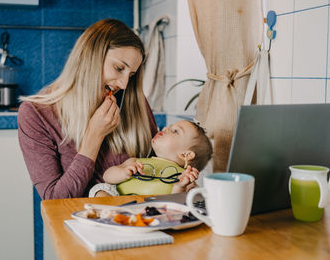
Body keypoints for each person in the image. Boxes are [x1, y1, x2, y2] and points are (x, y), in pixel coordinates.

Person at [17, 19, 159, 200]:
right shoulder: (36, 113)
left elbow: (159, 166)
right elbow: (55, 199)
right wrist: (94, 136)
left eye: (130, 75)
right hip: (75, 223)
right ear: (90, 57)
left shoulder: (132, 101)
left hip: (138, 221)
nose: (124, 84)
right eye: (119, 68)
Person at [89, 120, 213, 197]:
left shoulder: (184, 178)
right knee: (99, 190)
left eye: (175, 131)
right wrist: (124, 172)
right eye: (168, 127)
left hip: (155, 210)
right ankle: (110, 215)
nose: (165, 129)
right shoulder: (136, 162)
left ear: (186, 155)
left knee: (186, 199)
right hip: (119, 203)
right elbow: (107, 176)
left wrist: (180, 186)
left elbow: (179, 203)